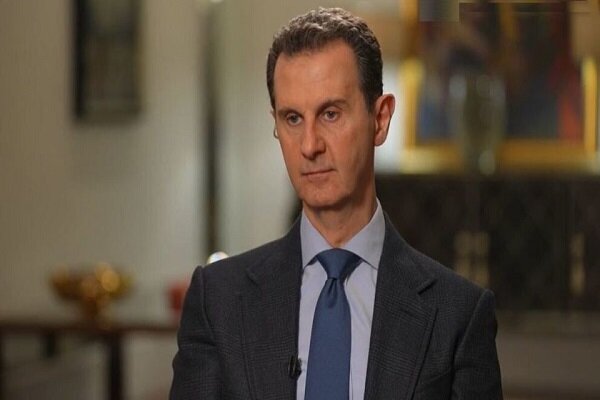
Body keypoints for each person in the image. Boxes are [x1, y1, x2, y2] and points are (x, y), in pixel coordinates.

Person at [170, 7, 502, 400]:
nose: (310, 145)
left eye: (330, 114)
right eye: (293, 119)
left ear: (380, 119)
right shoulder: (218, 300)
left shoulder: (457, 314)